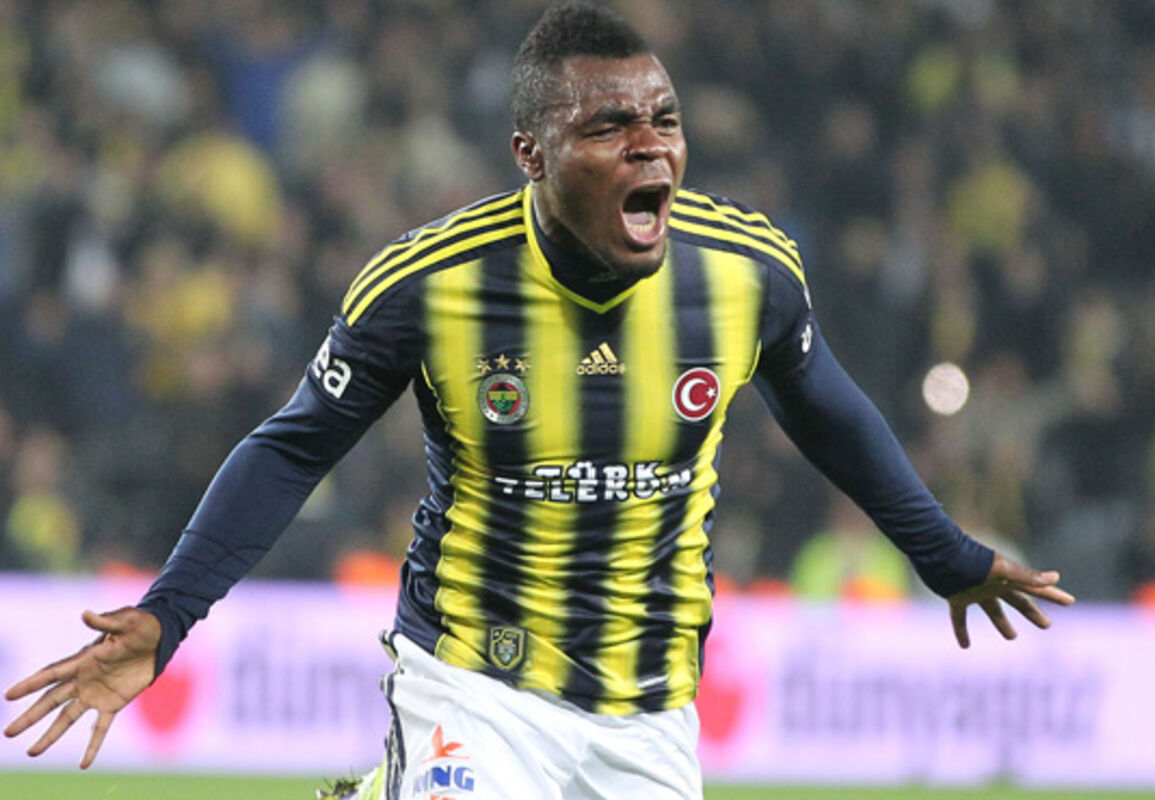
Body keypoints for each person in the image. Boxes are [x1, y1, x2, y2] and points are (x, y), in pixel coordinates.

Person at [4, 4, 1074, 798]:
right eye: (609, 126)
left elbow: (828, 413)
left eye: (664, 119)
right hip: (475, 679)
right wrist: (169, 613)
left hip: (651, 704)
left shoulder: (747, 273)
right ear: (532, 154)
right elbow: (292, 449)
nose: (651, 145)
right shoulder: (428, 285)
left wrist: (944, 553)